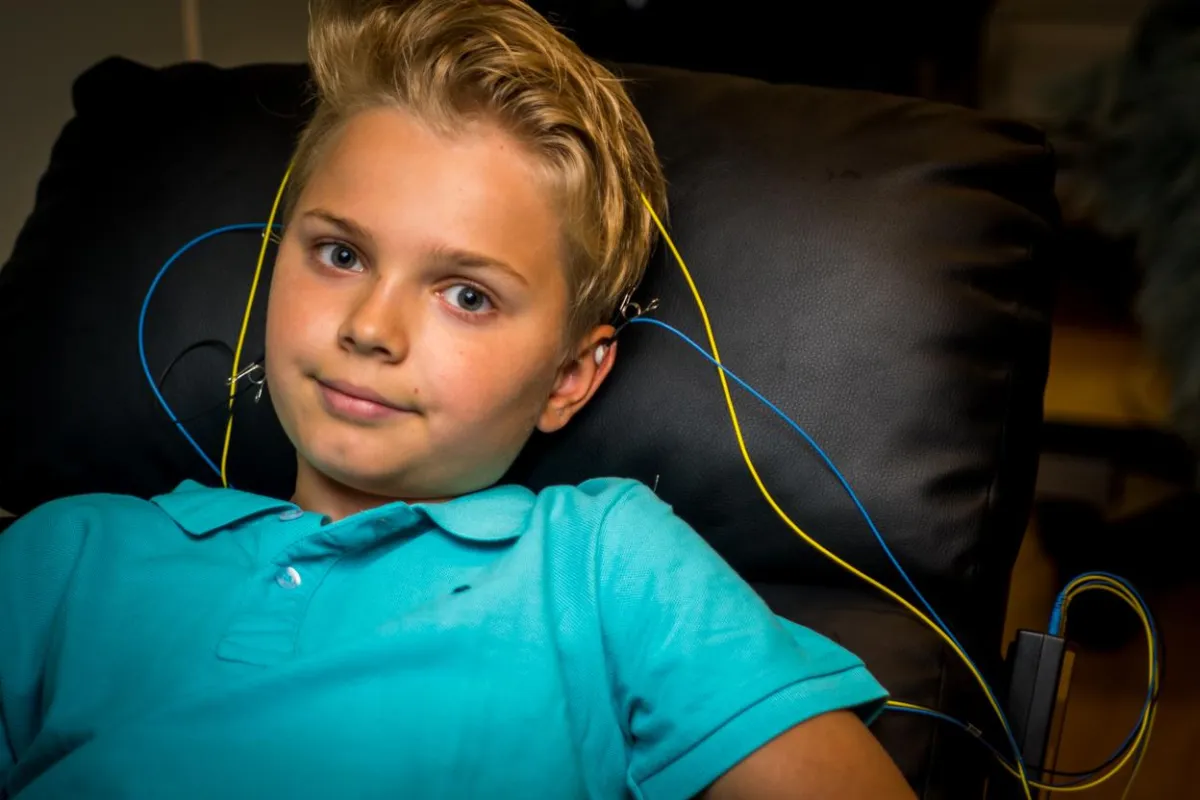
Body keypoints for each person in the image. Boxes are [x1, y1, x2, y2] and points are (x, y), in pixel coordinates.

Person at [0, 1, 915, 797]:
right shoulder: (63, 558)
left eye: (467, 294)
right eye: (341, 254)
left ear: (570, 378)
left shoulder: (603, 566)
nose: (371, 328)